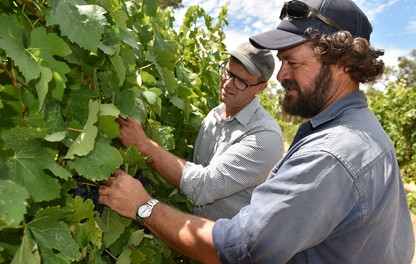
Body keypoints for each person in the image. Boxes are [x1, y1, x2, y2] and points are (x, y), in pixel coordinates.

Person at [98, 0, 415, 263]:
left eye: (292, 61)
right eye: (281, 62)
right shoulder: (360, 130)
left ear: (344, 62)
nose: (281, 76)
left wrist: (144, 206)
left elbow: (240, 249)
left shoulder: (330, 154)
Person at [114, 42, 284, 220]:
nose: (227, 83)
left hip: (227, 245)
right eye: (228, 72)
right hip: (196, 229)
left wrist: (143, 144)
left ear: (260, 88)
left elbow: (203, 186)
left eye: (240, 81)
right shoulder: (215, 115)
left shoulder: (264, 137)